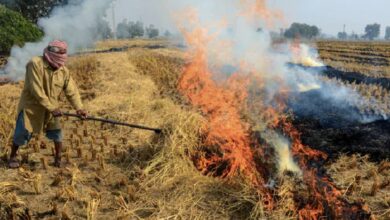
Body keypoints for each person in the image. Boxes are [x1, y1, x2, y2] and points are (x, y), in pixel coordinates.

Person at [9, 40, 87, 168]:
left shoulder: (63, 71)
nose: (58, 66)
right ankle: (13, 156)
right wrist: (51, 107)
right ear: (49, 55)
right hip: (31, 107)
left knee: (57, 133)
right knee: (22, 132)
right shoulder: (35, 64)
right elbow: (36, 89)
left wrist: (80, 108)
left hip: (52, 108)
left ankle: (58, 159)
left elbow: (71, 91)